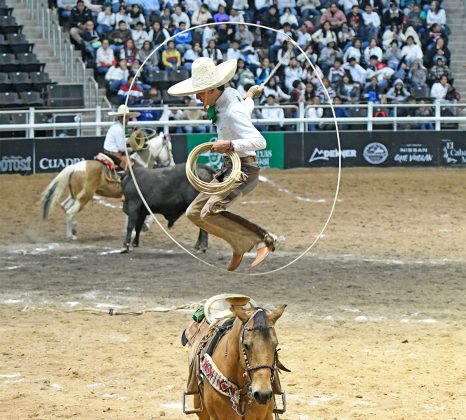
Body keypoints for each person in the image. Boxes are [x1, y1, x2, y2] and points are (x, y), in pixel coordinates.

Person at [167, 57, 279, 271]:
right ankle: (239, 243)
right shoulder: (231, 97)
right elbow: (244, 109)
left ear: (211, 90)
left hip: (244, 168)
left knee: (210, 211)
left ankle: (264, 239)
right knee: (194, 212)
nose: (198, 97)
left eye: (200, 92)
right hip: (229, 167)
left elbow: (260, 141)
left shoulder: (230, 110)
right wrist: (250, 96)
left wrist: (229, 143)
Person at [103, 105, 141, 170]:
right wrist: (132, 140)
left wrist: (131, 138)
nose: (128, 120)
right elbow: (122, 148)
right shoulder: (118, 129)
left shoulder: (116, 126)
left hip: (109, 152)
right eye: (128, 118)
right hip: (113, 155)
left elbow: (121, 141)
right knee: (131, 168)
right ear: (124, 117)